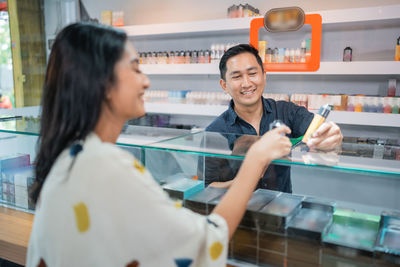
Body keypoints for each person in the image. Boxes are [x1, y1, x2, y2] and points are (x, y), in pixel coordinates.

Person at [26, 23, 292, 266]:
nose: (146, 80)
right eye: (134, 68)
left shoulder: (72, 156)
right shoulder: (105, 164)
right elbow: (202, 243)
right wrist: (255, 159)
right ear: (103, 83)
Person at [204, 44, 343, 192]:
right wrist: (246, 178)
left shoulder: (287, 111)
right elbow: (207, 186)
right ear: (224, 85)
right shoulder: (214, 132)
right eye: (237, 76)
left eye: (252, 73)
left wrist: (330, 137)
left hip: (282, 208)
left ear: (264, 76)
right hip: (238, 212)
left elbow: (318, 130)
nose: (246, 83)